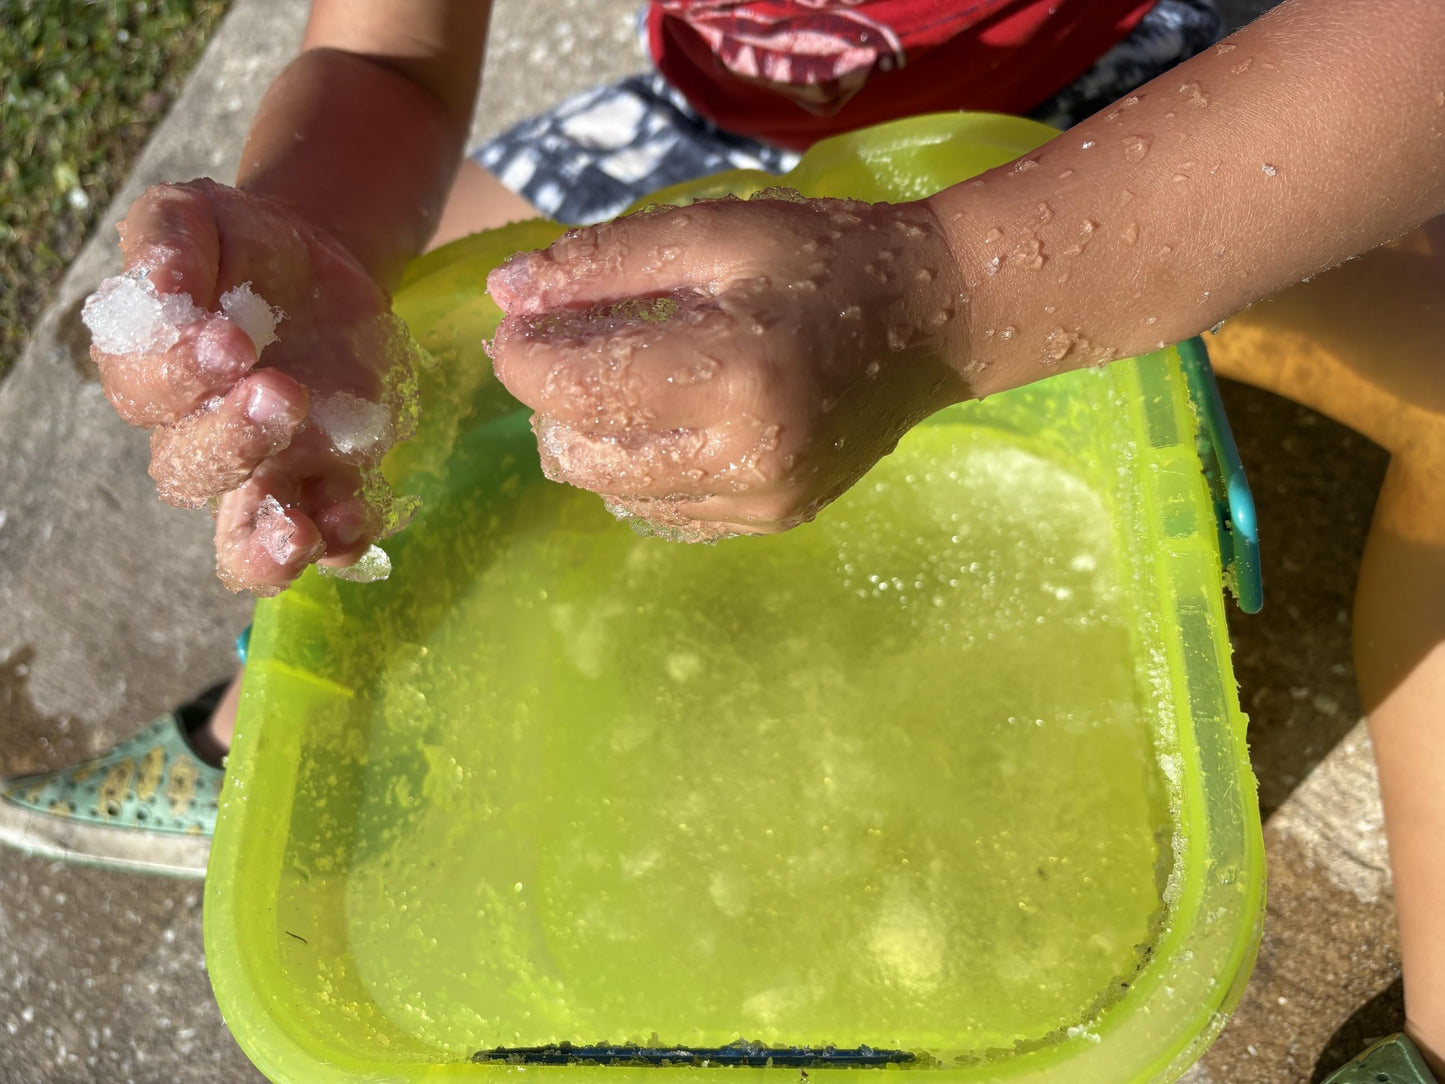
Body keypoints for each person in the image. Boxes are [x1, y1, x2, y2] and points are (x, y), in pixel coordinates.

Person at [1, 0, 1442, 1076]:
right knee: (404, 381)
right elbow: (385, 59)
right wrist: (309, 242)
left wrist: (951, 299)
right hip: (733, 132)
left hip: (1163, 105)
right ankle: (284, 728)